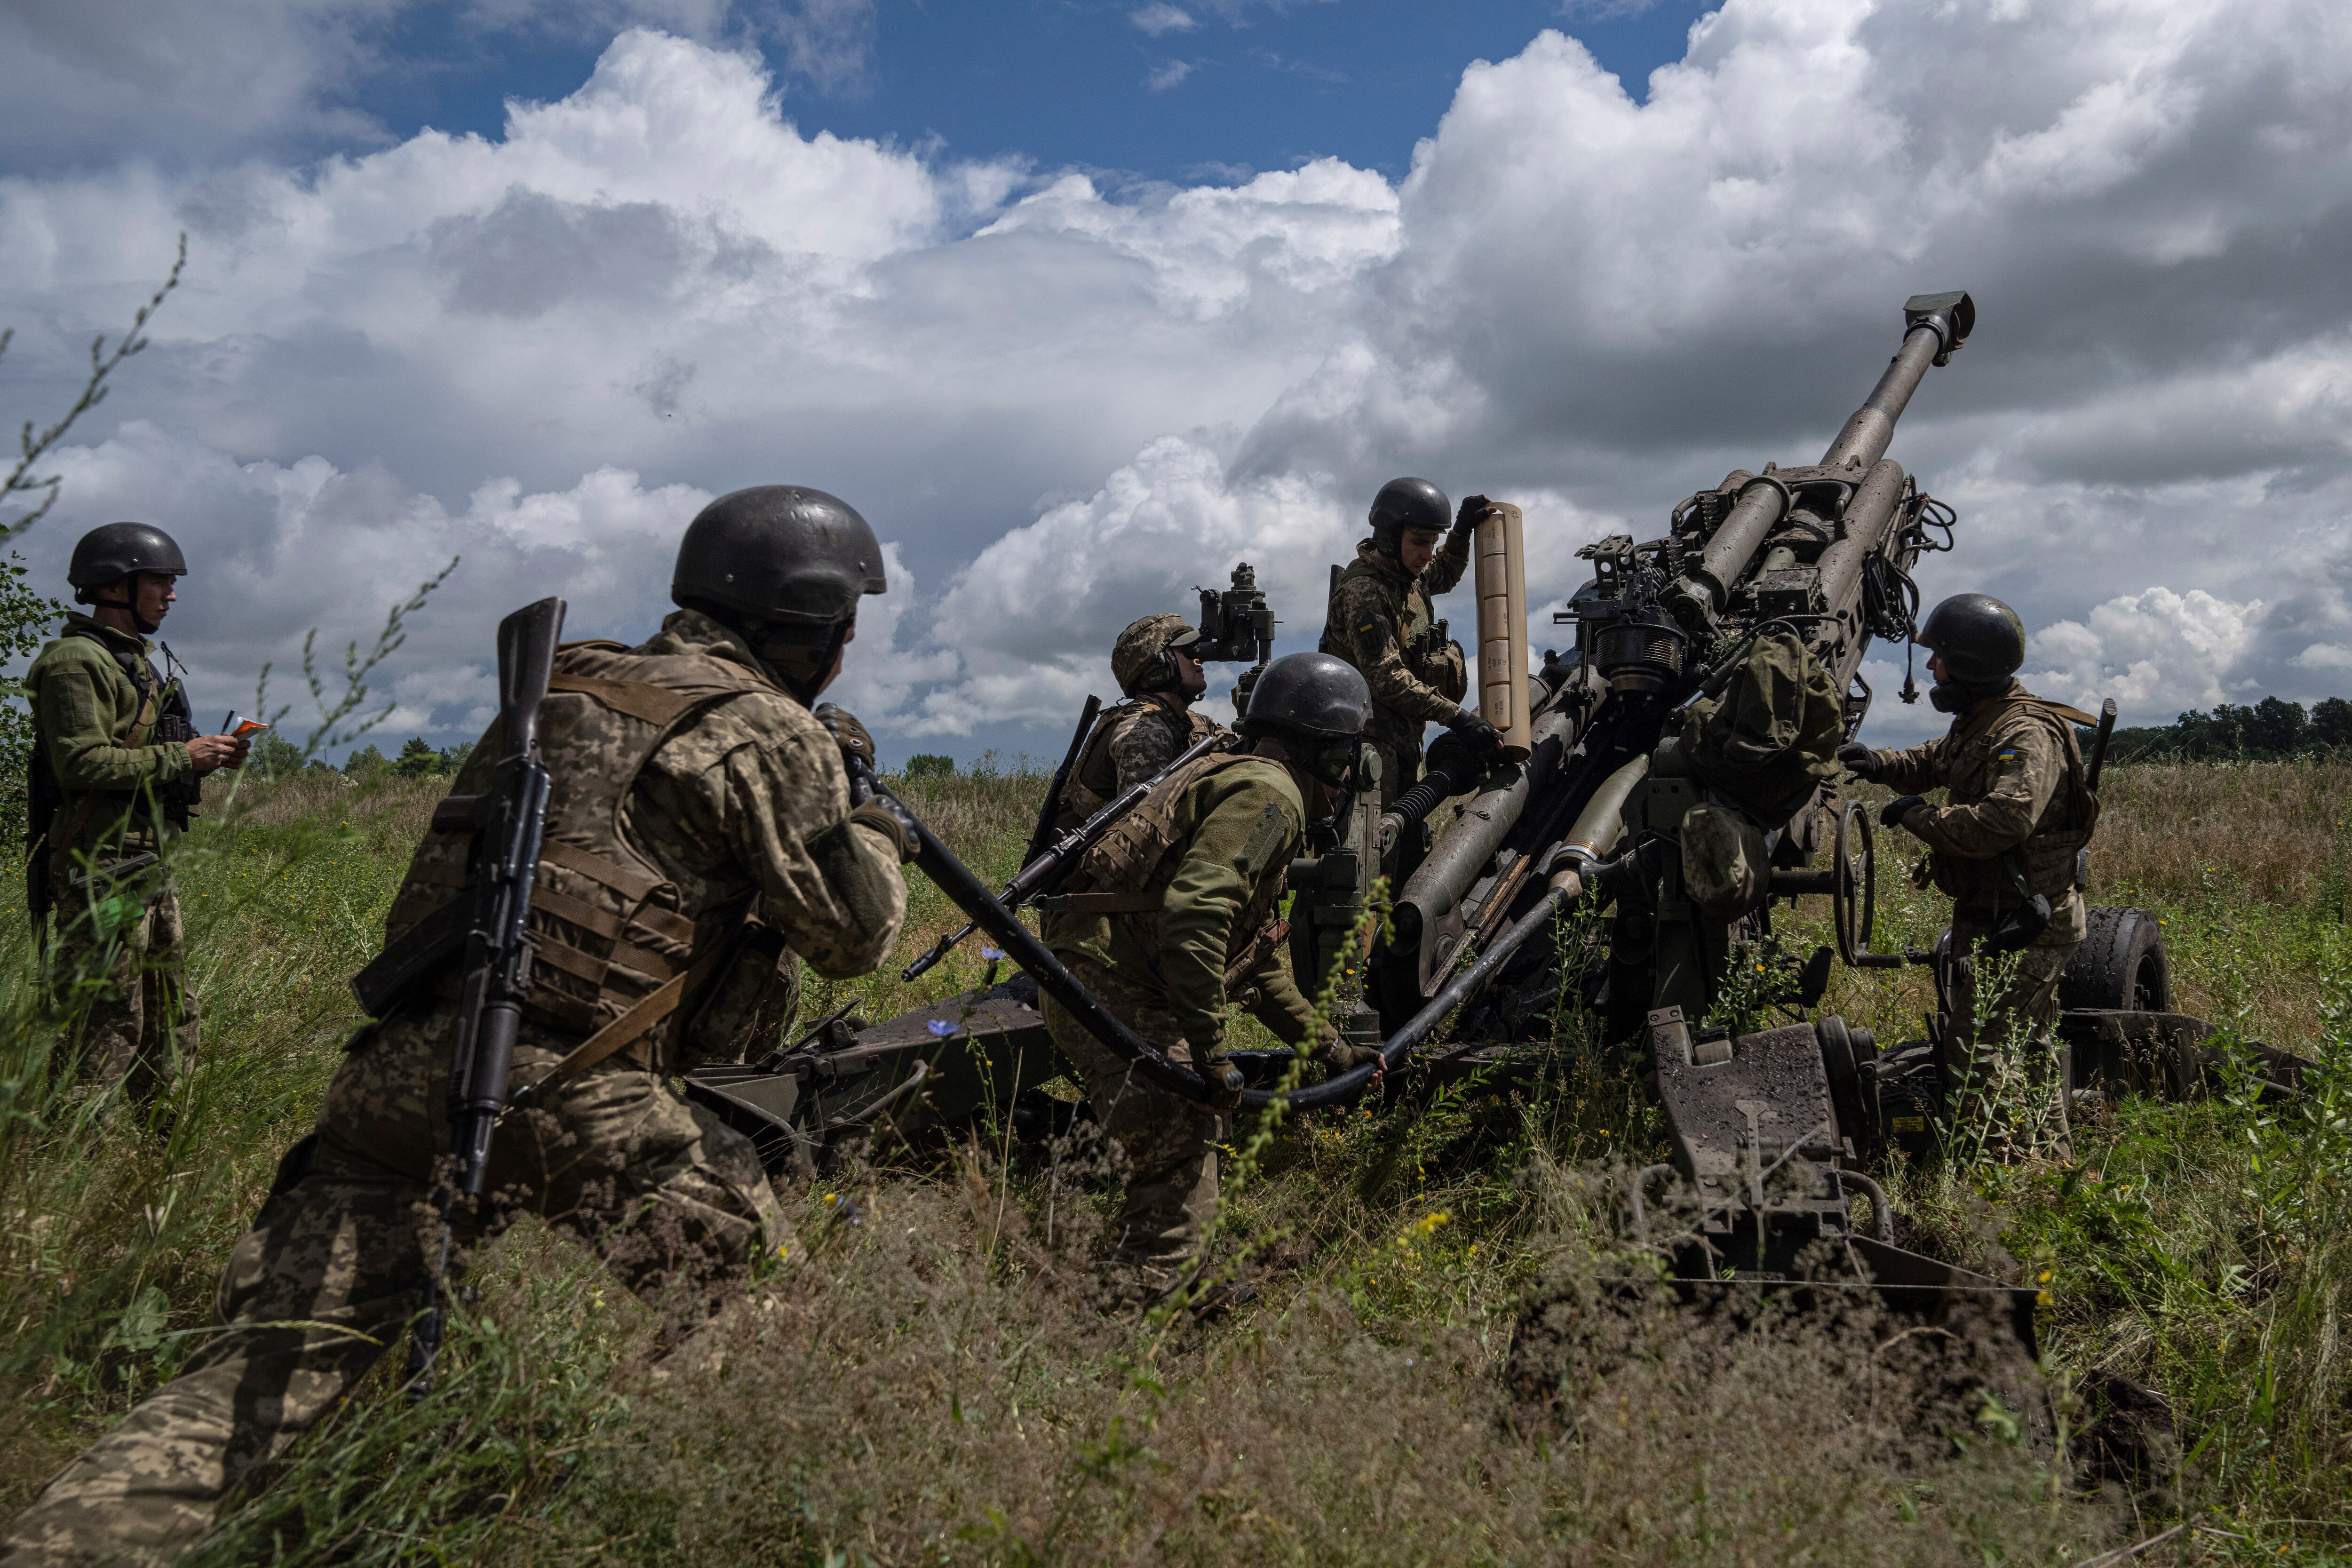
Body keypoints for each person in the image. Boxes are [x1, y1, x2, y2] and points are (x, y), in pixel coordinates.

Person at [1, 486, 916, 1567]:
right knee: (763, 1309)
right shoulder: (766, 729)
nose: (846, 658)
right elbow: (856, 939)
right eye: (845, 634)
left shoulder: (558, 683)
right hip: (580, 1091)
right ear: (809, 628)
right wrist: (867, 817)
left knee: (262, 1381)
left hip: (392, 1076)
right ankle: (731, 1524)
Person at [1037, 651, 1382, 1305]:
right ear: (1319, 753)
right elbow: (1197, 915)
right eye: (1341, 764)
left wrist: (1333, 1049)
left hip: (1092, 974)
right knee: (1180, 1126)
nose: (1341, 786)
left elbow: (1260, 963)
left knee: (1178, 1136)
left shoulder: (1236, 775)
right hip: (1119, 985)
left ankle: (1172, 1280)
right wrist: (1210, 1055)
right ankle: (1147, 1307)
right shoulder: (1271, 796)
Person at [1840, 593, 2099, 1160]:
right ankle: (2051, 1164)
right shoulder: (1984, 720)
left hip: (2029, 920)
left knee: (1975, 1042)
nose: (1931, 668)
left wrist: (1917, 817)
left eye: (1939, 657)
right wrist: (1881, 764)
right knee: (2025, 1044)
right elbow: (1940, 759)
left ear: (1972, 664)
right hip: (1997, 913)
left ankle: (1994, 1173)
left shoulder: (2024, 733)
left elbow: (2003, 821)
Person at [24, 523, 250, 1106]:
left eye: (172, 583)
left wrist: (208, 756)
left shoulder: (138, 663)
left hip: (146, 863)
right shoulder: (77, 662)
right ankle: (78, 1158)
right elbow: (81, 764)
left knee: (170, 1010)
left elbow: (141, 754)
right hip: (102, 871)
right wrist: (183, 755)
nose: (171, 595)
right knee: (106, 1013)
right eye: (160, 582)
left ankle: (160, 1141)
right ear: (116, 585)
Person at [1319, 478, 1498, 809]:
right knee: (1380, 853)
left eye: (1433, 543)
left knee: (1408, 851)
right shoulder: (1365, 592)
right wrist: (1457, 717)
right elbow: (1386, 678)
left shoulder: (1407, 578)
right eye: (1419, 542)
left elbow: (1443, 572)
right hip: (1367, 743)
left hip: (1400, 740)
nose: (1427, 554)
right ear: (1389, 536)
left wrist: (1460, 531)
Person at [1054, 613, 1225, 828]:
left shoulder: (1189, 723)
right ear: (1158, 666)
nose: (1199, 660)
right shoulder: (1143, 729)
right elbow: (1144, 828)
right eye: (1188, 651)